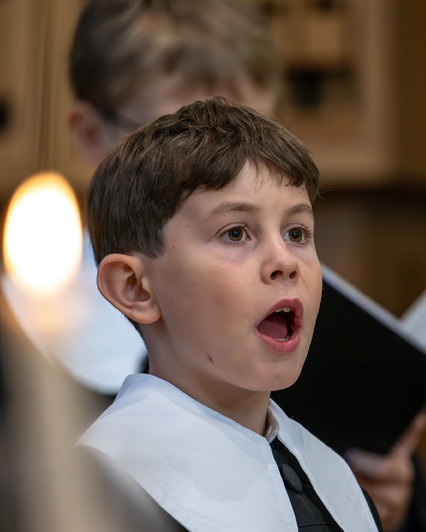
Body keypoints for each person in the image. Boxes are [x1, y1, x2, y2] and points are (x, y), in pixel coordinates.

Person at [0, 2, 426, 531]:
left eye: (297, 233)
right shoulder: (3, 340)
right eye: (181, 137)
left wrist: (389, 509)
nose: (234, 163)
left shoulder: (300, 325)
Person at [78, 96, 380, 531]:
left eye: (297, 232)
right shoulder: (100, 494)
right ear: (135, 288)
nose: (285, 260)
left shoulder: (335, 483)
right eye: (236, 233)